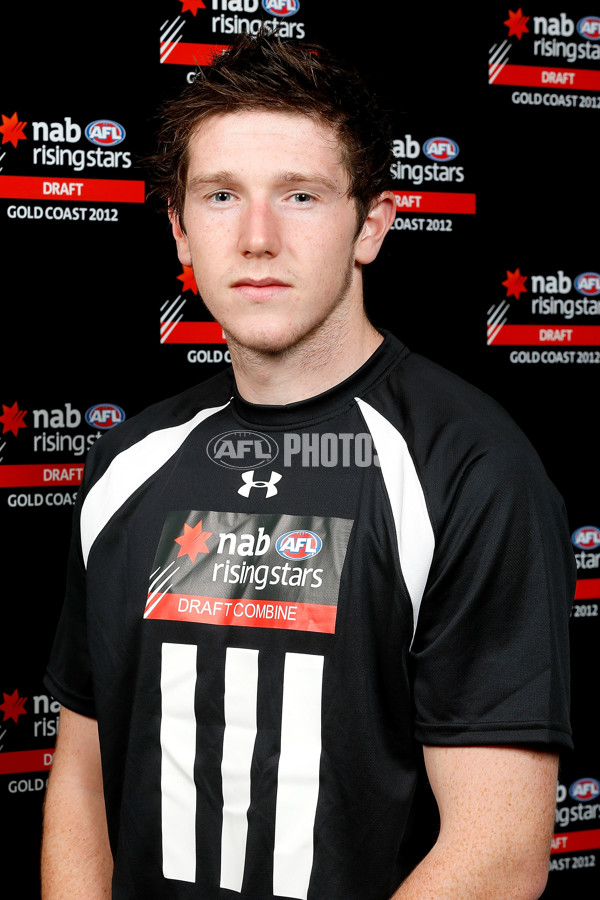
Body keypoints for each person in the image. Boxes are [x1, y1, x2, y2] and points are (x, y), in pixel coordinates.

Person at [41, 32, 575, 900]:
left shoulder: (468, 467)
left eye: (300, 195)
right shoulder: (125, 461)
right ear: (180, 229)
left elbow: (498, 850)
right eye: (221, 196)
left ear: (370, 224)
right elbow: (80, 775)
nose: (257, 238)